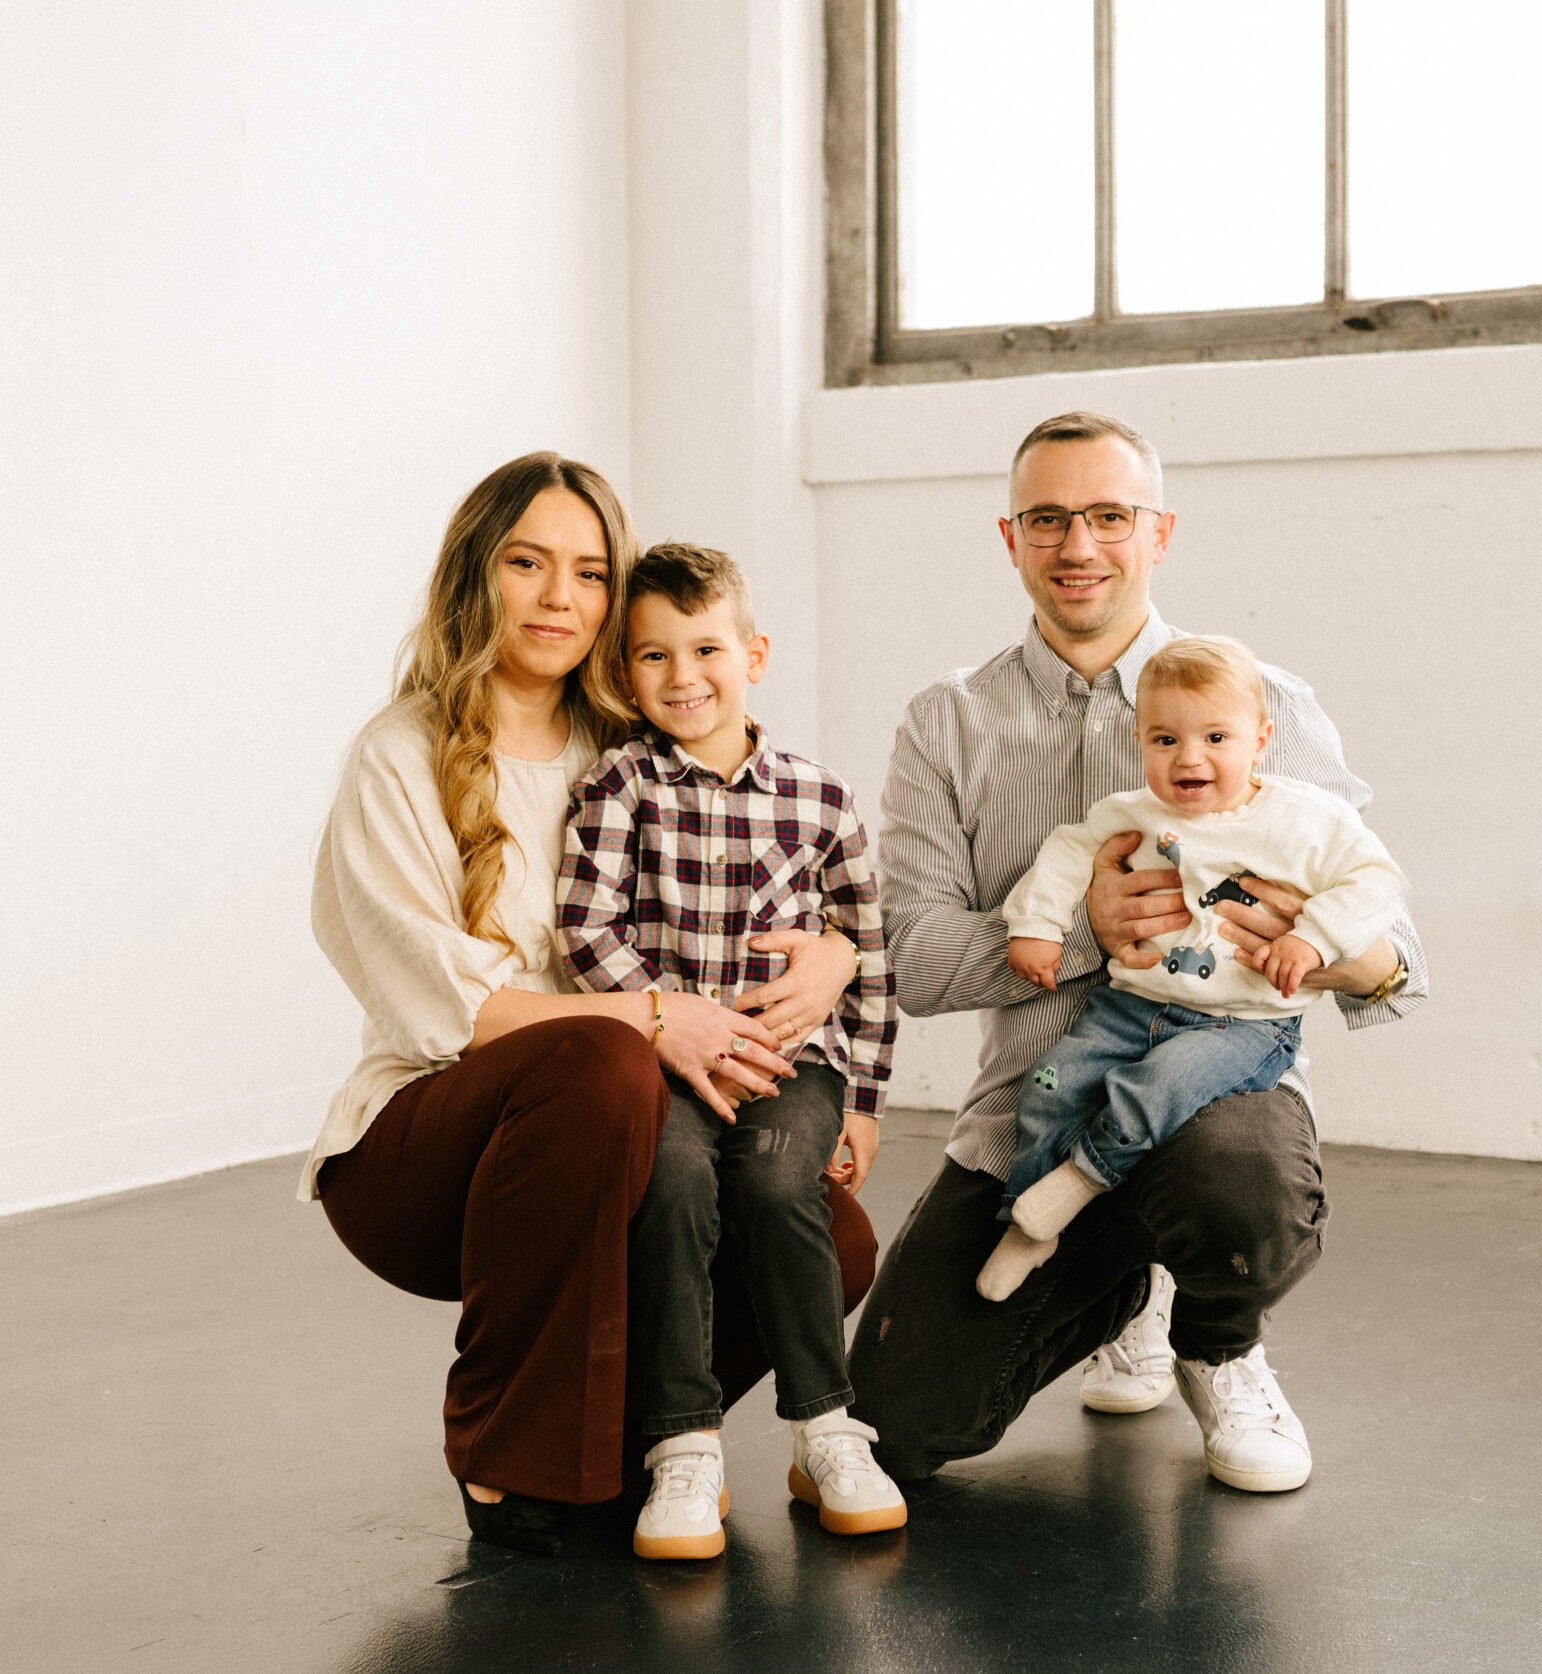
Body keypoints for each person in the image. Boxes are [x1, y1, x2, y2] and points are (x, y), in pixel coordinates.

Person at [301, 454, 875, 1557]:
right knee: (597, 1063)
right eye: (528, 563)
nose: (560, 597)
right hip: (426, 1152)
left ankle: (642, 1439)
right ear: (478, 575)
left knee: (826, 1235)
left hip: (625, 1126)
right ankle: (507, 1453)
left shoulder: (634, 751)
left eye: (590, 572)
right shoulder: (398, 756)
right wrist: (654, 1019)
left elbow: (784, 860)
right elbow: (452, 1012)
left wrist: (839, 955)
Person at [848, 410, 1429, 1494]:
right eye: (1049, 518)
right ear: (1009, 536)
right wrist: (1089, 933)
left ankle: (1216, 1337)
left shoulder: (1264, 702)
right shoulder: (948, 723)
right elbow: (916, 961)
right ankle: (1124, 1284)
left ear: (1157, 532)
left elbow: (1398, 954)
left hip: (1218, 1084)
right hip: (1037, 1098)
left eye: (1109, 515)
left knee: (1239, 1203)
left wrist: (1327, 951)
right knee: (894, 1424)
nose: (1079, 545)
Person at [558, 542, 909, 1559]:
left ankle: (825, 1427)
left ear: (752, 653)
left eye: (705, 648)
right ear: (626, 672)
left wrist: (866, 1098)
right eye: (652, 656)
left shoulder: (818, 797)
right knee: (669, 1180)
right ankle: (683, 1442)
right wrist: (668, 1017)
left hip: (790, 1065)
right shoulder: (618, 784)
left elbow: (865, 949)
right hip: (667, 1055)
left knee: (769, 1179)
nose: (682, 676)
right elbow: (587, 928)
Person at [978, 635, 1406, 1342]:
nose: (1189, 758)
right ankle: (1029, 1221)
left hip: (1240, 1024)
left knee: (1159, 1085)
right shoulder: (1132, 813)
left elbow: (1377, 881)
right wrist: (1040, 924)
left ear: (1261, 739)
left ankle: (1076, 1187)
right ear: (1140, 739)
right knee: (1052, 1083)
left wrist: (1313, 938)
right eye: (1165, 738)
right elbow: (1067, 850)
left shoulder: (1305, 820)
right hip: (1129, 1007)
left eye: (1215, 737)